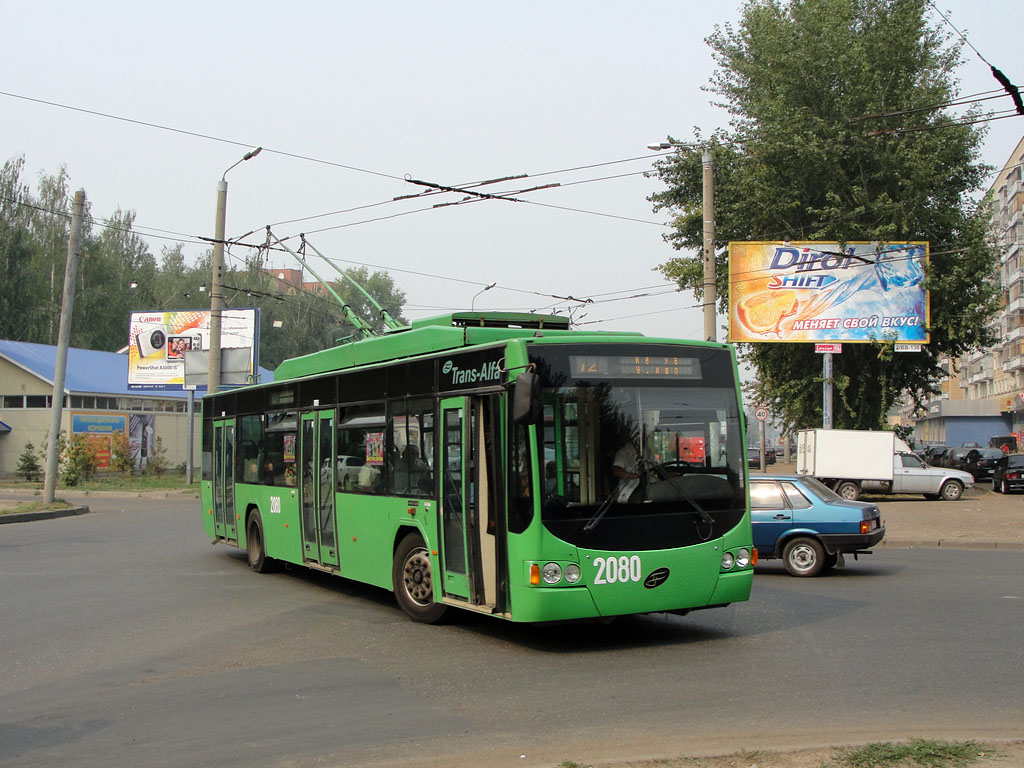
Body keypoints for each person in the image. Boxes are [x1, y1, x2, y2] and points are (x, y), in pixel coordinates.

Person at [612, 438, 642, 503]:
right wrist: (635, 476)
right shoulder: (623, 453)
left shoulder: (648, 451)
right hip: (629, 493)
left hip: (650, 490)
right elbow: (617, 472)